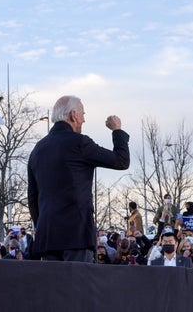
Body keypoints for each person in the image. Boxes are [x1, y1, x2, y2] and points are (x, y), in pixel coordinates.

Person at [27, 95, 130, 262]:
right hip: (76, 235)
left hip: (48, 237)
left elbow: (32, 196)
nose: (83, 119)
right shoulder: (80, 143)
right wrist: (117, 131)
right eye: (83, 114)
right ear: (73, 115)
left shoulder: (38, 150)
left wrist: (42, 225)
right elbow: (121, 161)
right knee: (78, 286)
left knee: (53, 288)